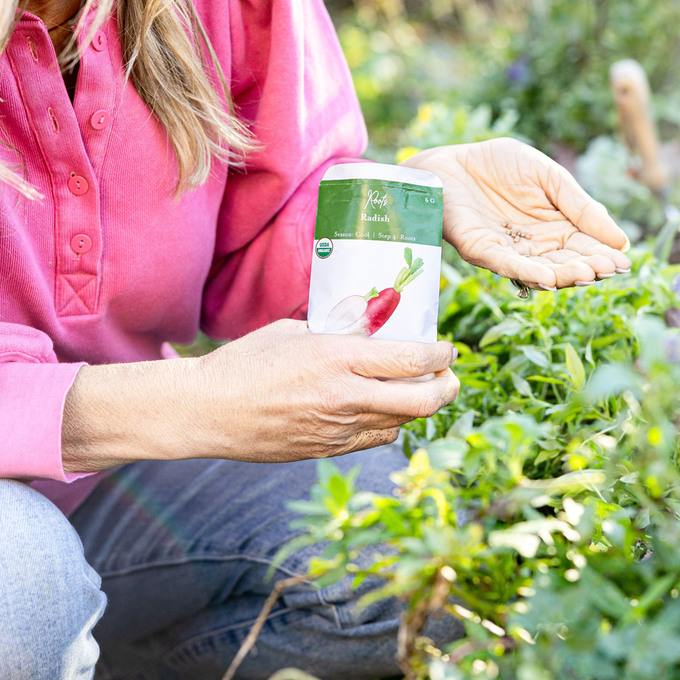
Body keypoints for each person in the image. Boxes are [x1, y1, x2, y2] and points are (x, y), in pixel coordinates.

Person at [0, 0, 632, 678]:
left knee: (404, 550)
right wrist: (195, 398)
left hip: (113, 491)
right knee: (25, 580)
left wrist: (399, 205)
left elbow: (259, 231)